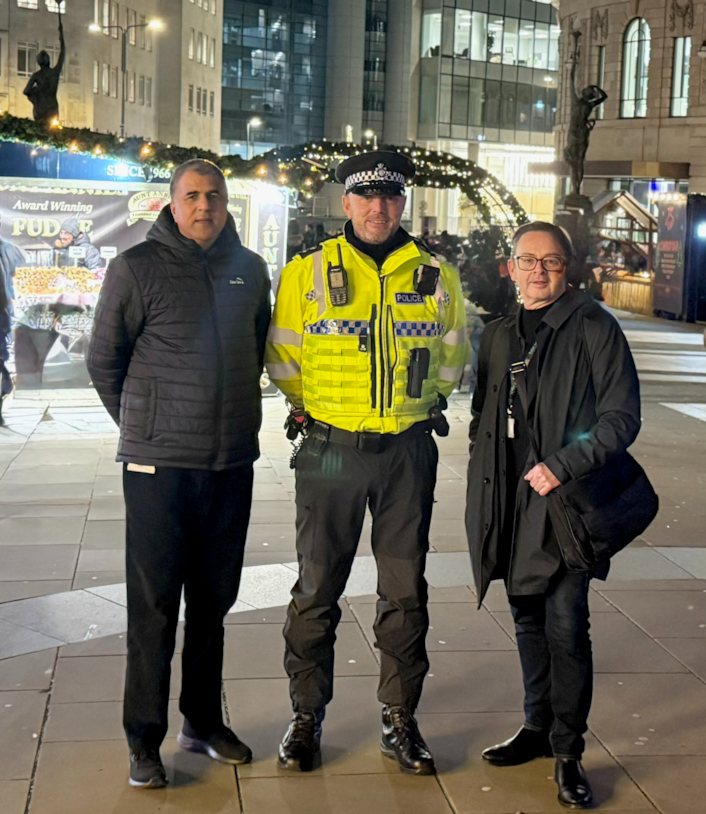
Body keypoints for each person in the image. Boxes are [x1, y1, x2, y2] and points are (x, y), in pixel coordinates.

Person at [266, 150, 468, 776]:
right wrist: (323, 413)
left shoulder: (437, 275)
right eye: (366, 197)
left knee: (405, 593)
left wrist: (410, 407)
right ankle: (306, 718)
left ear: (403, 203)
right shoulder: (306, 273)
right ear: (346, 204)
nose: (379, 208)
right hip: (329, 451)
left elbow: (453, 365)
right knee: (317, 588)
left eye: (391, 197)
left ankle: (399, 719)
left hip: (407, 453)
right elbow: (283, 363)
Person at [87, 159, 271, 790]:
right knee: (156, 606)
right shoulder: (135, 269)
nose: (204, 206)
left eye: (214, 196)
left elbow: (258, 346)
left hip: (230, 464)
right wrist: (144, 424)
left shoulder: (249, 270)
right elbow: (103, 360)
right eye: (192, 196)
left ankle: (202, 721)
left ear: (226, 203)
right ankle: (144, 739)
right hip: (158, 467)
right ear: (172, 203)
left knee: (214, 605)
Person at [465, 222, 641, 809]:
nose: (539, 271)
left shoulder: (595, 326)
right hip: (512, 506)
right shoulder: (497, 336)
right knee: (526, 621)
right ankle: (536, 728)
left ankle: (568, 753)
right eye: (528, 260)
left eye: (553, 261)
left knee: (566, 624)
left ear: (569, 268)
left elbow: (621, 418)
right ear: (509, 268)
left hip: (566, 507)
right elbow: (482, 420)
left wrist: (565, 464)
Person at [23, 11, 65, 126]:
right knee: (53, 133)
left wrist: (36, 94)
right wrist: (61, 37)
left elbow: (26, 91)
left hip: (40, 109)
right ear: (49, 61)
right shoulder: (54, 73)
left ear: (38, 63)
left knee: (40, 133)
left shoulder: (36, 76)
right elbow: (63, 54)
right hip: (52, 107)